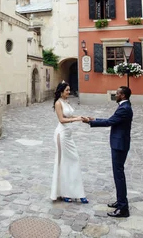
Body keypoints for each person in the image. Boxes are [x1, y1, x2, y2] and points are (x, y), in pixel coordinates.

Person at [82, 86, 133, 218]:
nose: (115, 95)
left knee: (119, 175)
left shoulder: (124, 108)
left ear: (122, 96)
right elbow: (112, 119)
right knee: (118, 175)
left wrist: (91, 122)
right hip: (119, 143)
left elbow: (109, 122)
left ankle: (123, 208)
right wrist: (95, 119)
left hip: (119, 145)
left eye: (117, 93)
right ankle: (120, 201)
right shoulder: (124, 106)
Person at [50, 82, 88, 204]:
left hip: (68, 136)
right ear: (61, 91)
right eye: (67, 90)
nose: (69, 92)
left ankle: (74, 191)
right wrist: (76, 120)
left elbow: (70, 114)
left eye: (69, 90)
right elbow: (62, 120)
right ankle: (64, 192)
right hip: (61, 135)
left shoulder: (66, 102)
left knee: (73, 160)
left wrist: (81, 117)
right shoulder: (58, 103)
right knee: (65, 162)